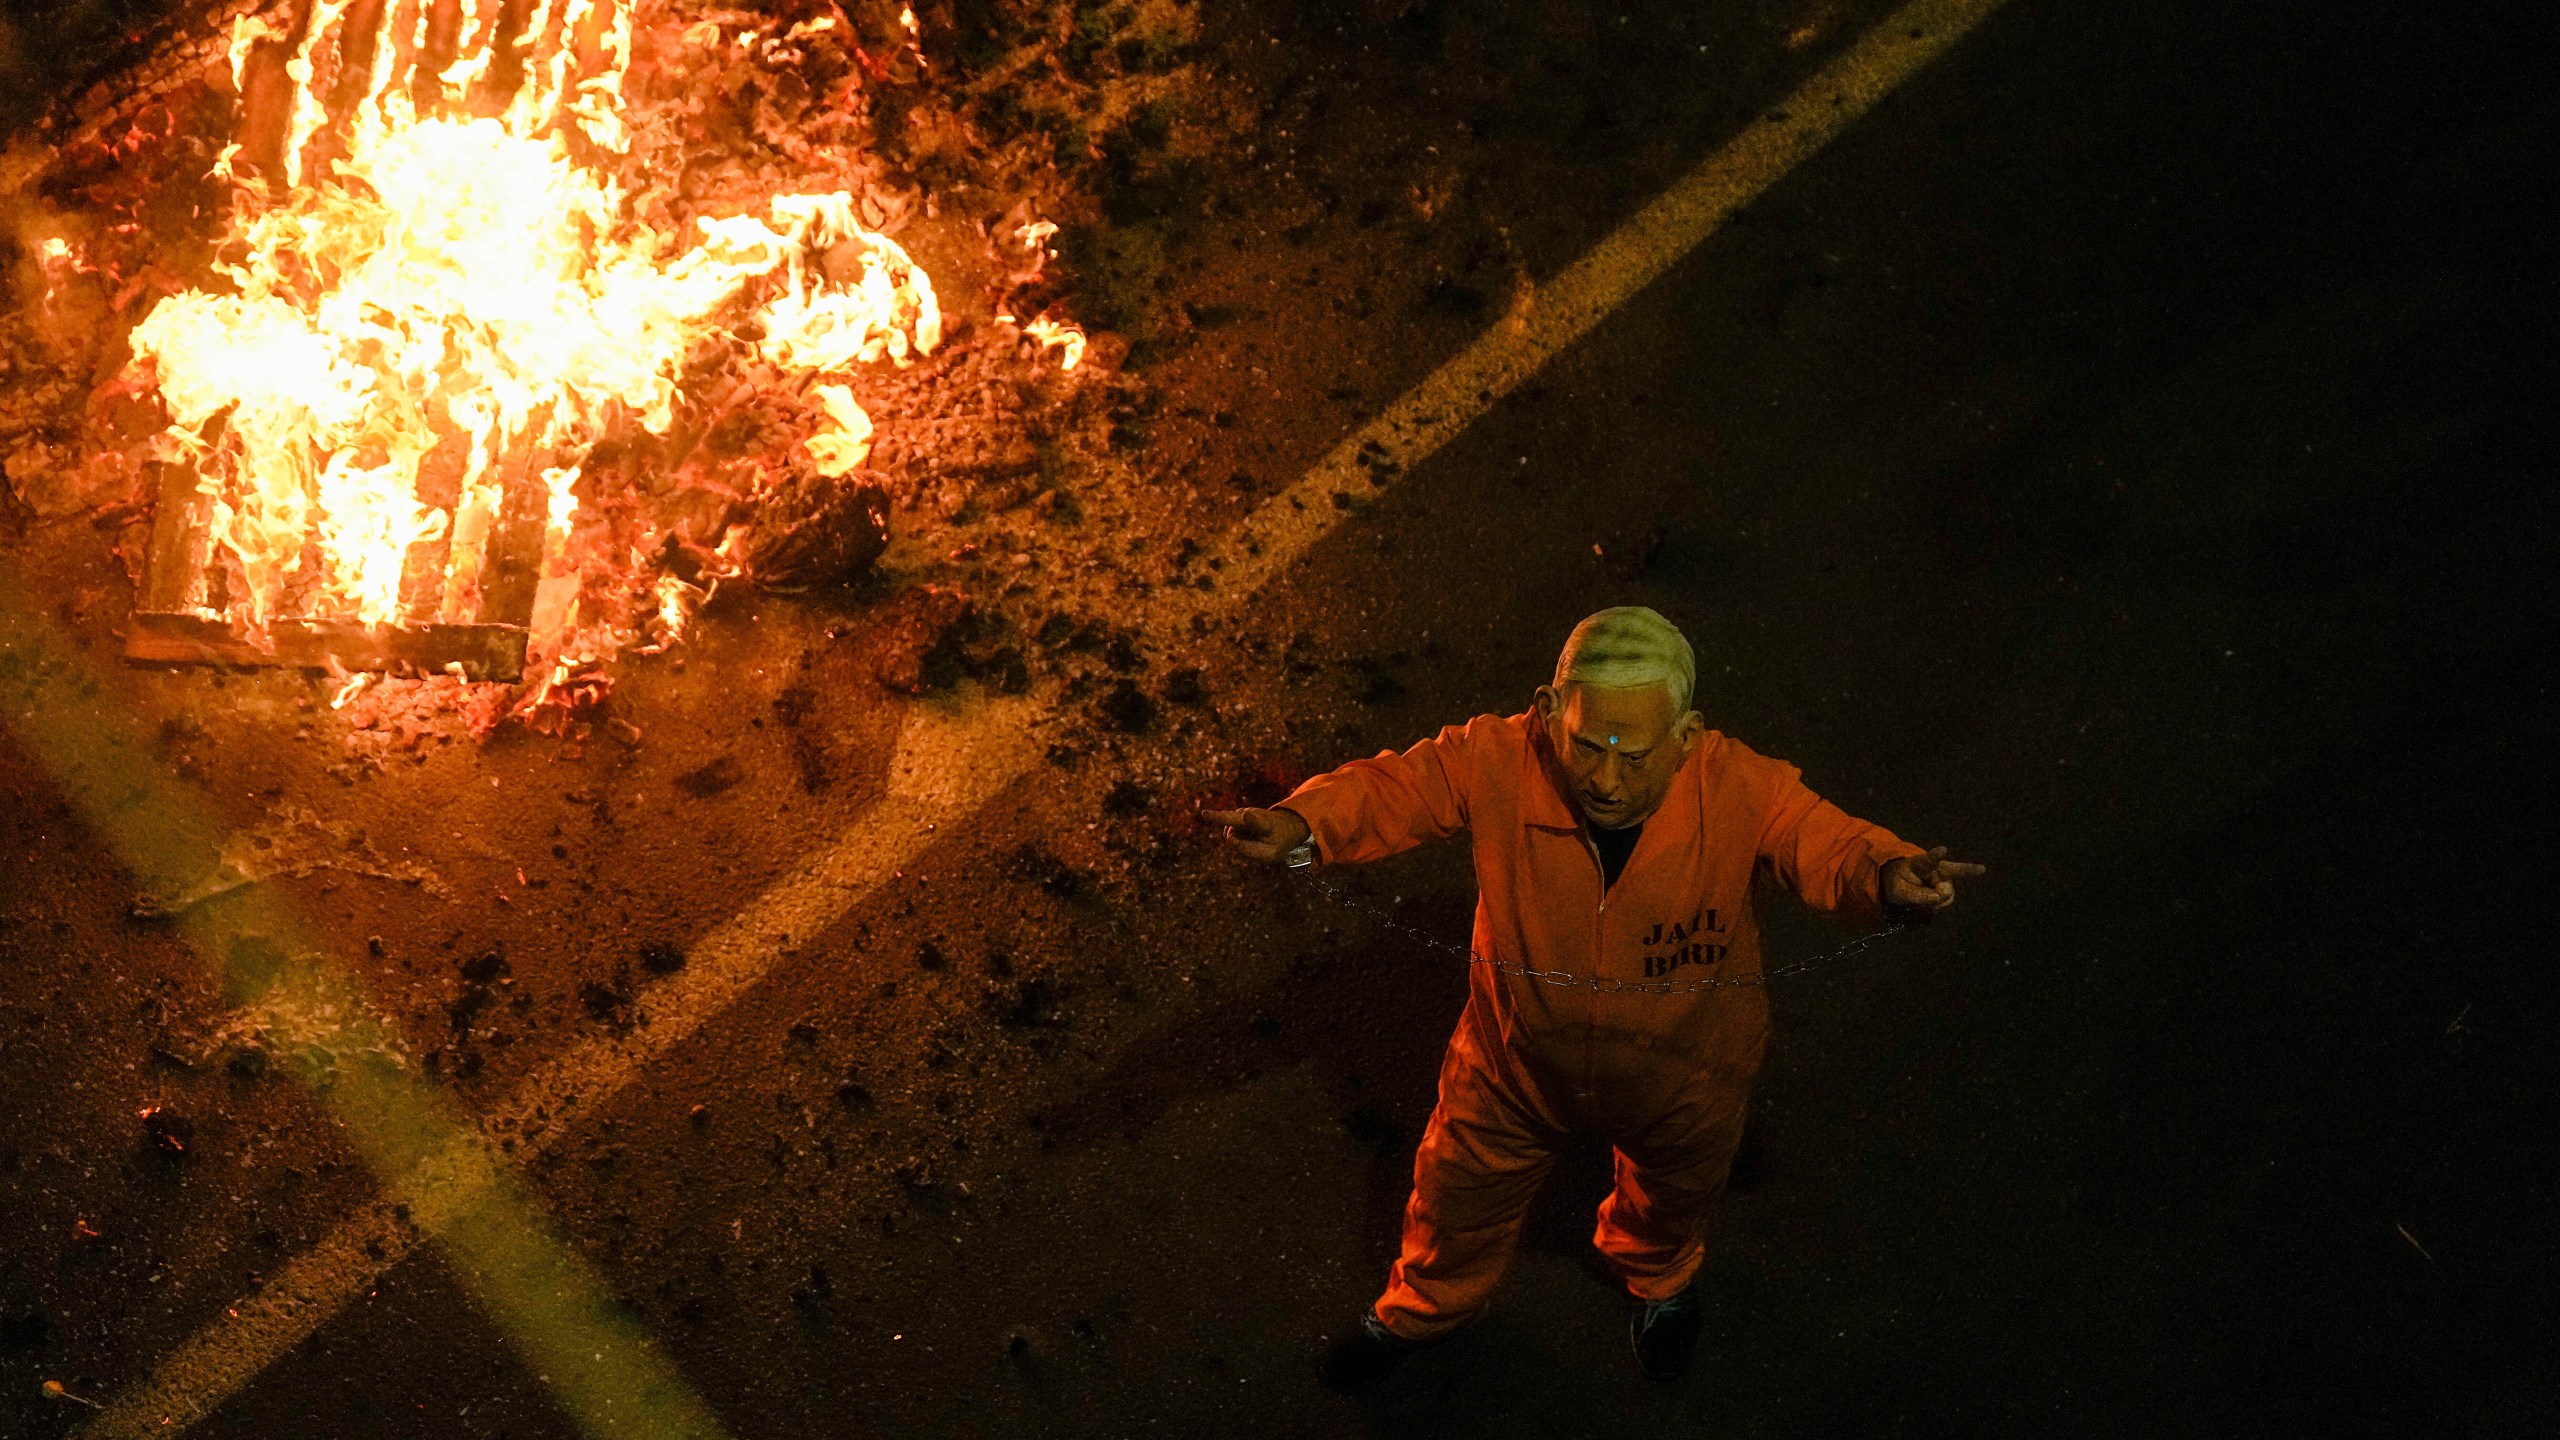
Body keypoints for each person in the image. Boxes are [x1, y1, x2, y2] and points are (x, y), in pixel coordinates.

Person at [1206, 606, 1984, 1388]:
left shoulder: (1741, 786)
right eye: (1586, 746)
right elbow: (1400, 786)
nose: (1607, 781)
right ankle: (1425, 1307)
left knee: (1674, 1196)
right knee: (1456, 1194)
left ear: (1686, 739)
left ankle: (1660, 1278)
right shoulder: (1499, 757)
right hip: (1513, 1064)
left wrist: (1888, 874)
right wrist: (1304, 821)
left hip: (1688, 1075)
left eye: (1635, 757)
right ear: (1548, 713)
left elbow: (1828, 842)